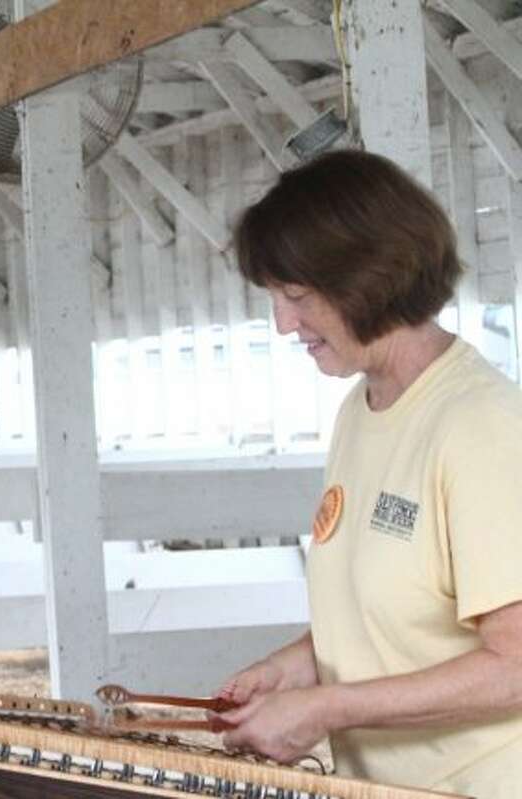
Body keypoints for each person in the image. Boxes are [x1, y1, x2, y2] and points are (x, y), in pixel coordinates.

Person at [211, 150, 522, 797]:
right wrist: (296, 667)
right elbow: (386, 611)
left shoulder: (480, 424)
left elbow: (515, 666)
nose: (283, 323)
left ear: (367, 280)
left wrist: (327, 708)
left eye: (296, 297)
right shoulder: (361, 409)